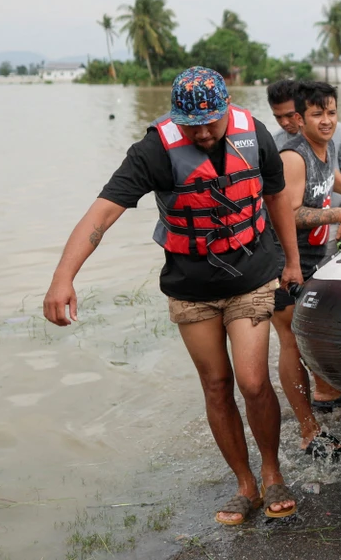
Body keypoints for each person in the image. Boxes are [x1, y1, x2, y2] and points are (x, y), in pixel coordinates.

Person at [42, 67, 301, 525]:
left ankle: (272, 471)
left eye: (211, 122)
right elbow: (102, 213)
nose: (201, 132)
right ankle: (244, 485)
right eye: (191, 124)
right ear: (175, 116)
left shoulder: (254, 134)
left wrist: (293, 262)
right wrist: (64, 277)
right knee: (216, 386)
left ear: (227, 110)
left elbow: (278, 196)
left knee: (253, 381)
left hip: (251, 273)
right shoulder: (154, 150)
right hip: (191, 285)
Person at [271, 81, 341, 458]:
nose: (327, 120)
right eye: (317, 114)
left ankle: (329, 393)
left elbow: (330, 177)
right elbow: (288, 211)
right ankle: (307, 429)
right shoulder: (292, 157)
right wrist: (338, 212)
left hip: (315, 254)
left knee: (319, 328)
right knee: (290, 338)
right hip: (285, 261)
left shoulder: (328, 145)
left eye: (331, 112)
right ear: (300, 119)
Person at [267, 80, 341, 211]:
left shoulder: (333, 133)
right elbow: (285, 208)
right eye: (278, 117)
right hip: (307, 222)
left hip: (337, 214)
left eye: (289, 115)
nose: (285, 122)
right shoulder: (277, 145)